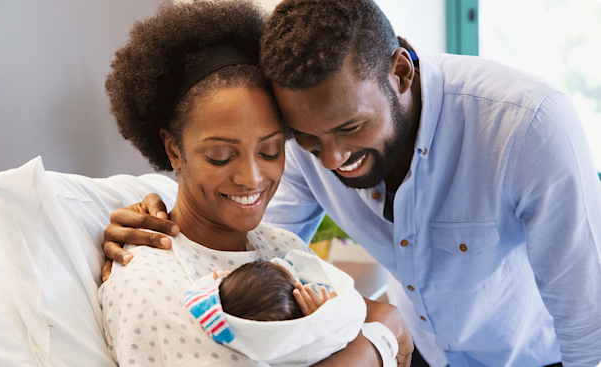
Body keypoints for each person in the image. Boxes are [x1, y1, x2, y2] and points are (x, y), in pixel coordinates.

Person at [100, 0, 601, 366]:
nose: (334, 160)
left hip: (535, 357)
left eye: (350, 128)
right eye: (306, 141)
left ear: (400, 73)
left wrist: (379, 331)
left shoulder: (527, 126)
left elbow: (589, 325)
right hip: (421, 351)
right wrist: (159, 213)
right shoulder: (306, 146)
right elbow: (245, 233)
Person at [98, 0, 409, 366]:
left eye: (271, 151)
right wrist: (379, 337)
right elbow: (386, 327)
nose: (251, 178)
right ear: (174, 150)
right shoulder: (149, 283)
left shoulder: (281, 246)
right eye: (220, 156)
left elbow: (361, 317)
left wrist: (381, 325)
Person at [182, 250, 375, 366]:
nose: (280, 261)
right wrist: (322, 318)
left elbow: (205, 296)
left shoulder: (225, 315)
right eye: (294, 281)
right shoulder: (299, 341)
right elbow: (350, 313)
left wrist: (216, 283)